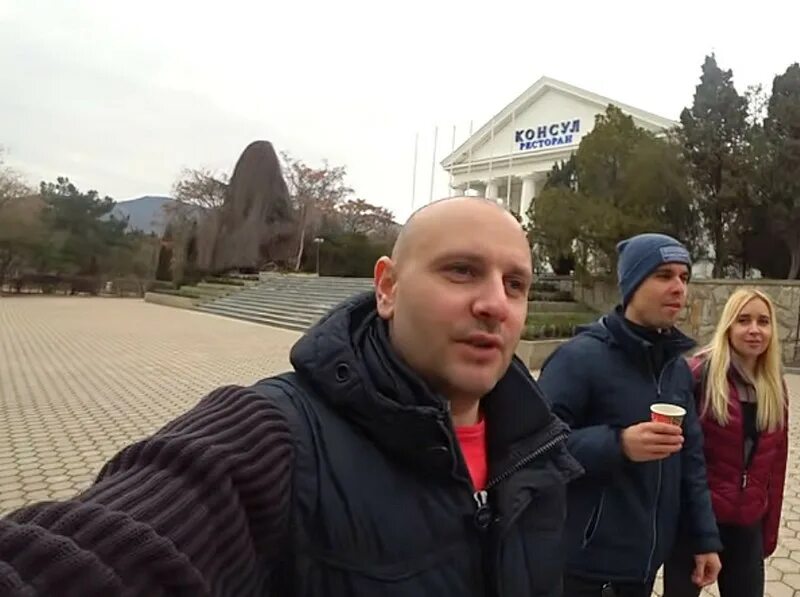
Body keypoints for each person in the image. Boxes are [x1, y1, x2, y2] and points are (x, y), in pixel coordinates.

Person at [0, 196, 582, 597]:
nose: (495, 304)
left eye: (516, 284)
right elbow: (97, 556)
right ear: (387, 287)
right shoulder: (270, 435)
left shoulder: (539, 451)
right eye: (461, 271)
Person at [537, 233, 722, 597]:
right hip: (584, 566)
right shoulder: (578, 358)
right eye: (664, 275)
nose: (679, 288)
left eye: (684, 277)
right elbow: (535, 447)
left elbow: (691, 461)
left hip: (644, 566)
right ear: (633, 284)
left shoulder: (677, 369)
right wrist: (617, 444)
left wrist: (704, 538)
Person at [663, 288, 790, 597]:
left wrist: (768, 531)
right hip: (695, 523)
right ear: (728, 326)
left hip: (747, 527)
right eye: (743, 320)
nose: (754, 330)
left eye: (763, 321)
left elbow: (776, 466)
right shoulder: (697, 374)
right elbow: (673, 458)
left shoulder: (774, 385)